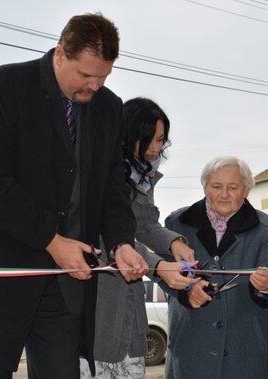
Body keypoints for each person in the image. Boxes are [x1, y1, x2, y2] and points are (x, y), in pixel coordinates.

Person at [0, 13, 148, 379]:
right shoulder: (3, 86)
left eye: (104, 76)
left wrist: (123, 242)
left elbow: (113, 190)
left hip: (63, 287)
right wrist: (51, 240)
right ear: (61, 54)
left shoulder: (109, 109)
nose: (94, 87)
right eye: (85, 75)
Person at [79, 97, 198, 378]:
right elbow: (116, 238)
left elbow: (144, 226)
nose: (155, 148)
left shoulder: (144, 176)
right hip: (100, 299)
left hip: (130, 301)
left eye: (161, 140)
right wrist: (159, 266)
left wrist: (174, 242)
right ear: (128, 135)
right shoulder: (105, 174)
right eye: (149, 140)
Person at [163, 156, 268, 379]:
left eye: (233, 187)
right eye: (216, 186)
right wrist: (185, 291)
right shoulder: (177, 224)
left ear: (246, 191)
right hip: (193, 349)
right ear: (204, 187)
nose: (224, 194)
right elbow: (161, 273)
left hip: (251, 356)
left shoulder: (265, 229)